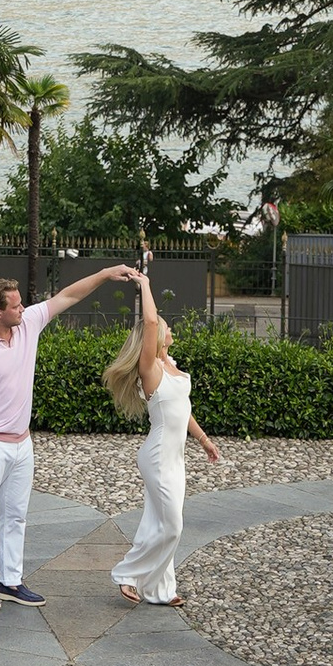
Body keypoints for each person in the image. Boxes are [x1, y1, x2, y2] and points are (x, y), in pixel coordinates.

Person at [0, 263, 137, 608]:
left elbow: (69, 295)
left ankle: (9, 581)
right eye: (16, 306)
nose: (23, 309)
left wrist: (105, 273)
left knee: (16, 515)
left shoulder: (28, 324)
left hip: (21, 444)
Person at [104, 250, 219, 604]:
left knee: (159, 522)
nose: (167, 327)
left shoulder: (172, 367)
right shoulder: (150, 370)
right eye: (164, 326)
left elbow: (182, 410)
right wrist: (145, 284)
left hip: (176, 458)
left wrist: (203, 440)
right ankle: (128, 573)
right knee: (173, 526)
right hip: (156, 457)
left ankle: (160, 589)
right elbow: (150, 322)